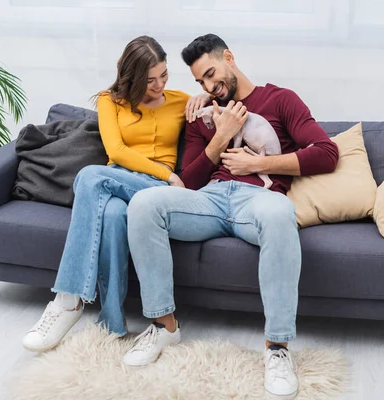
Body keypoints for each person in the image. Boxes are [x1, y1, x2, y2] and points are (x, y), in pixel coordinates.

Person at [122, 34, 339, 398]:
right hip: (209, 200)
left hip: (258, 199)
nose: (209, 86)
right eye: (200, 81)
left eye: (211, 73)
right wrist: (219, 136)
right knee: (144, 204)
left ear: (228, 57)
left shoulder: (280, 100)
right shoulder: (202, 112)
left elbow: (327, 153)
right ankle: (164, 325)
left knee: (280, 212)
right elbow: (188, 183)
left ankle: (278, 348)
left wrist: (259, 163)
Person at [22, 36, 209, 352]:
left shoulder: (180, 100)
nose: (159, 84)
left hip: (154, 189)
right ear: (132, 77)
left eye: (163, 75)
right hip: (118, 180)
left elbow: (223, 106)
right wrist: (169, 173)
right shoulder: (110, 101)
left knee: (89, 176)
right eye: (149, 80)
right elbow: (117, 151)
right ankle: (112, 324)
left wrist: (204, 97)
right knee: (111, 214)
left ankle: (68, 301)